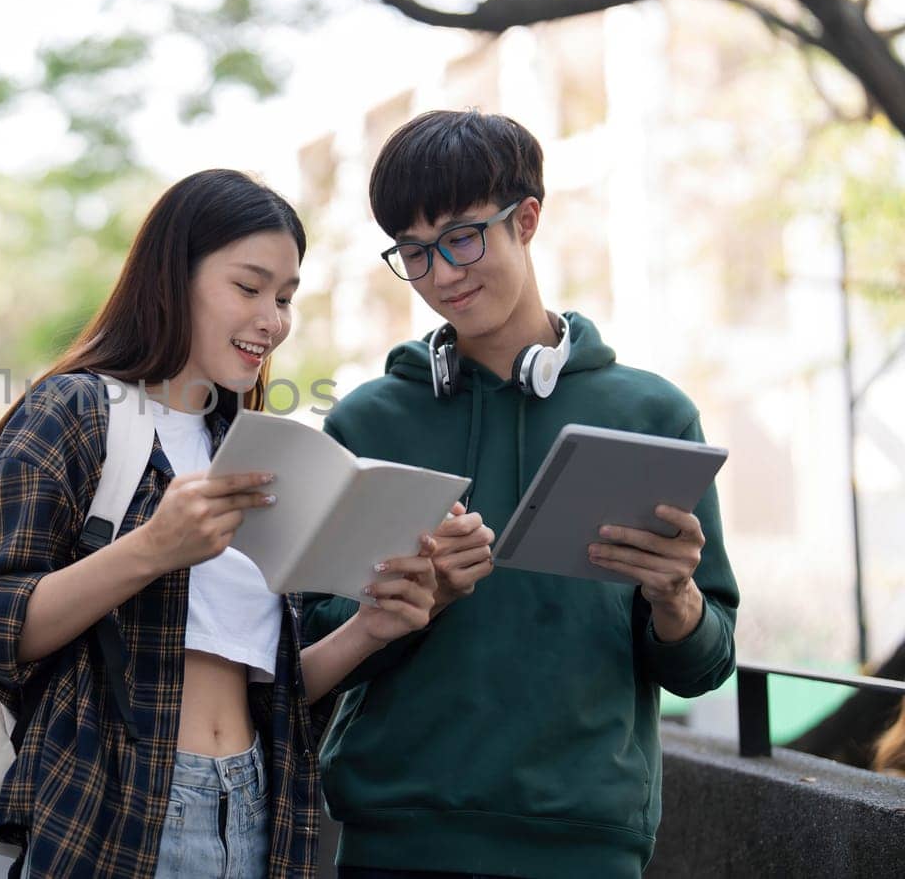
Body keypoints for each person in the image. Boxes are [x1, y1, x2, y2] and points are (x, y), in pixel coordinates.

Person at [0, 168, 491, 878]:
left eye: (286, 297)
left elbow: (272, 692)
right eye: (248, 287)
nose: (273, 318)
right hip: (118, 818)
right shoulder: (76, 412)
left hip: (257, 812)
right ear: (173, 277)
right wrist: (151, 550)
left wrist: (373, 627)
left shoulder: (257, 452)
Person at [301, 110, 741, 879]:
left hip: (588, 846)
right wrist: (410, 603)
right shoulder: (367, 422)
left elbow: (704, 667)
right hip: (394, 843)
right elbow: (309, 648)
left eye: (462, 237)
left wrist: (676, 601)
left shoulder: (653, 417)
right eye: (414, 251)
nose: (442, 274)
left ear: (527, 220)